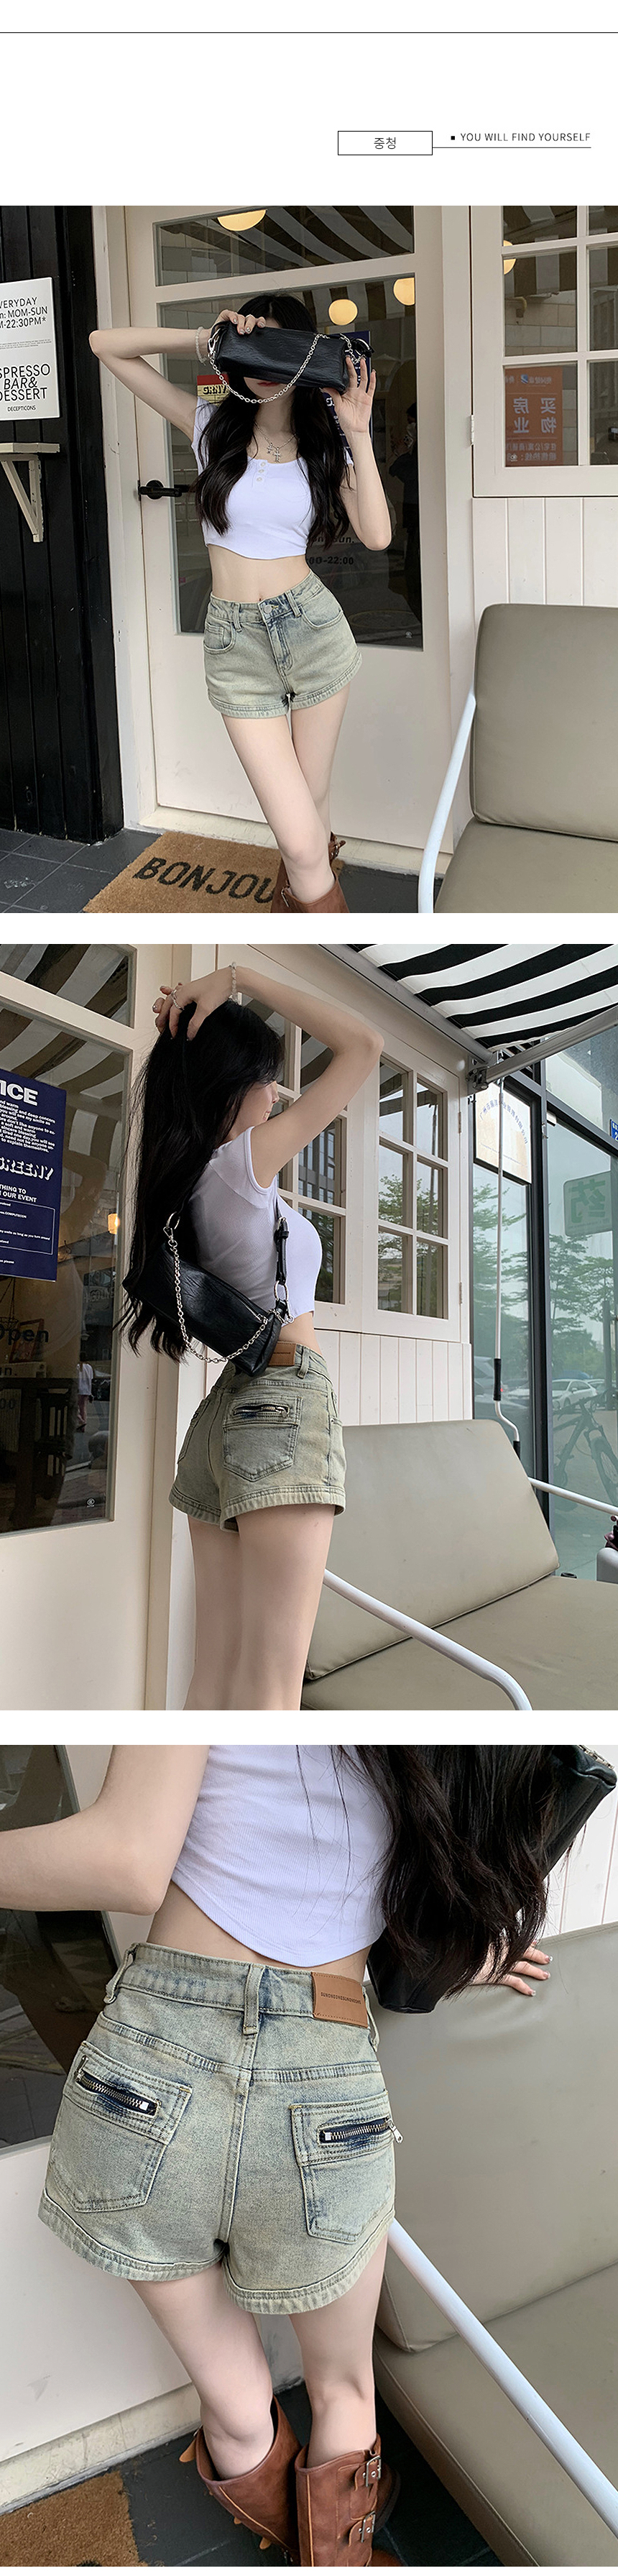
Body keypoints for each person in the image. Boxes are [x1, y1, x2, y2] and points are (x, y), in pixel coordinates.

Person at [4, 1744, 555, 2568]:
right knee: (343, 2389)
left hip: (147, 2064)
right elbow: (418, 1933)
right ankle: (338, 2547)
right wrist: (470, 1954)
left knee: (234, 2408)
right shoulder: (450, 1749)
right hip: (321, 2060)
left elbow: (123, 1854)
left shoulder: (219, 1700)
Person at [123, 958, 382, 1710]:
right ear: (229, 1084)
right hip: (283, 1399)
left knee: (213, 1680)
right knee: (273, 1688)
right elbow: (363, 1045)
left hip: (223, 1419)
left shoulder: (184, 1178)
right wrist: (238, 977)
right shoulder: (240, 1166)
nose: (275, 1094)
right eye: (266, 1078)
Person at [90, 292, 392, 917]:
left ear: (303, 355)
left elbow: (378, 535)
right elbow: (104, 346)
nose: (264, 364)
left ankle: (307, 944)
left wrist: (359, 434)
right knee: (302, 840)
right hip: (235, 644)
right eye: (255, 347)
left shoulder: (324, 444)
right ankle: (329, 948)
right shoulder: (210, 425)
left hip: (312, 630)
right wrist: (207, 340)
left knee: (311, 813)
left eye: (280, 349)